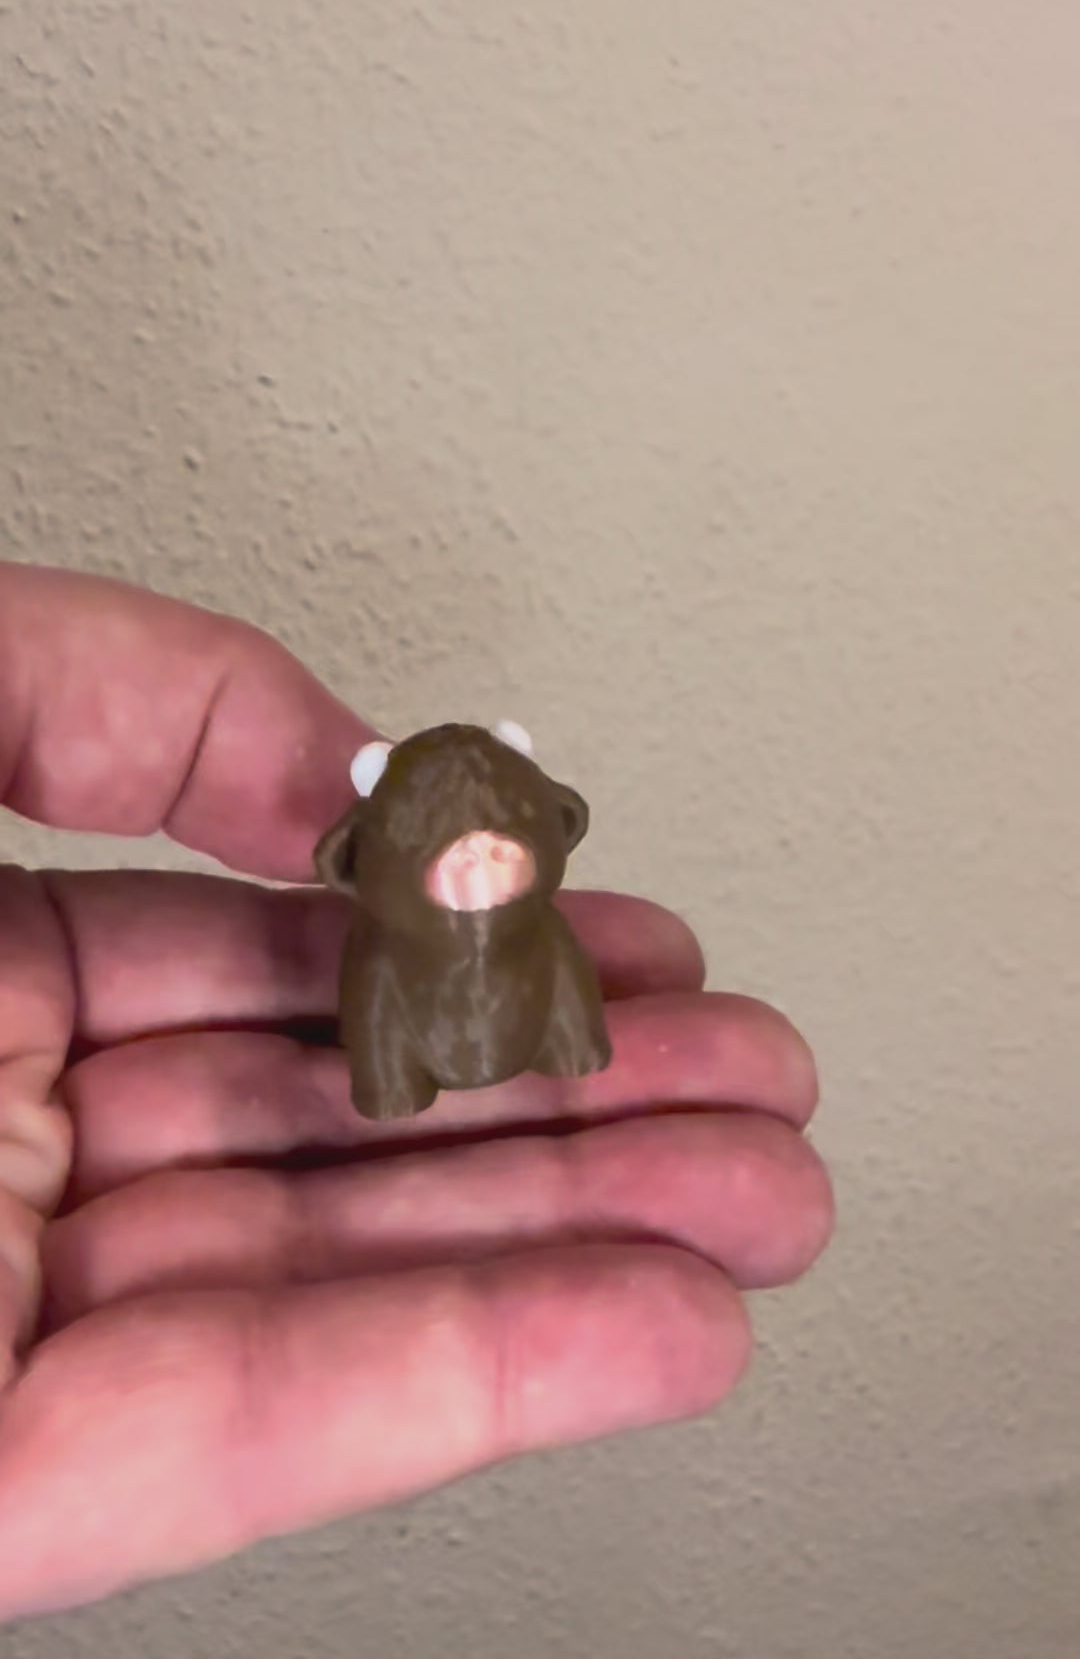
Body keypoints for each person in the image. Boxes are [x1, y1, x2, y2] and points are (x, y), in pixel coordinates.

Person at [0, 563, 833, 1621]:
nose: (480, 867)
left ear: (557, 831)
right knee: (398, 1039)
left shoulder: (545, 941)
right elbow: (380, 1012)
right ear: (357, 867)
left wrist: (572, 1040)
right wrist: (385, 1077)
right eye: (454, 853)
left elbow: (565, 991)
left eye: (501, 846)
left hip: (519, 1015)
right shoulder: (381, 958)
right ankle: (405, 1086)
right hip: (395, 1030)